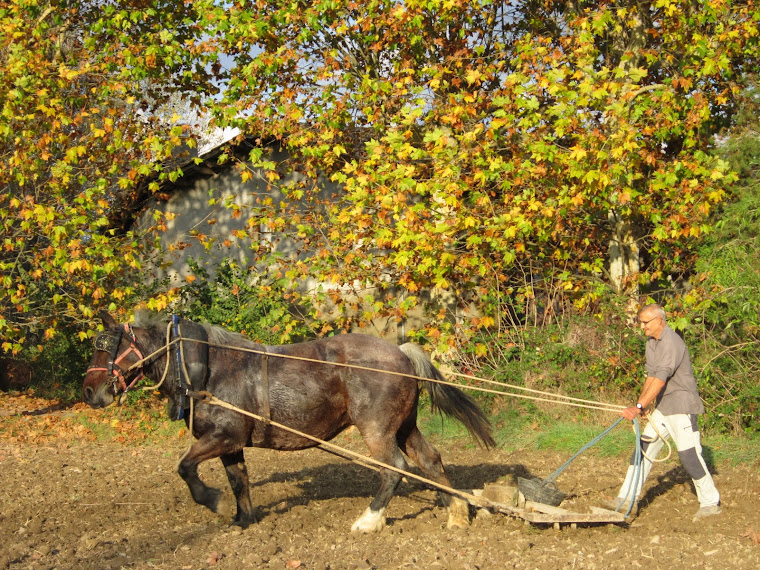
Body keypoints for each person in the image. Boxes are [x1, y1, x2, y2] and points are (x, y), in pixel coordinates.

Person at [602, 303, 721, 522]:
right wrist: (642, 404)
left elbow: (660, 379)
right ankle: (627, 500)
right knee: (642, 450)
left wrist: (637, 408)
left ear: (659, 320)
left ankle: (710, 503)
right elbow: (650, 376)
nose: (642, 327)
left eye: (645, 322)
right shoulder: (651, 343)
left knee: (689, 456)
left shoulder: (672, 343)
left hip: (682, 407)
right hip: (664, 408)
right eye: (641, 323)